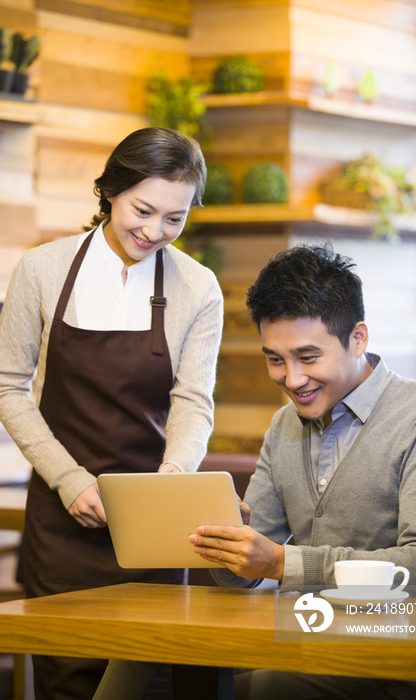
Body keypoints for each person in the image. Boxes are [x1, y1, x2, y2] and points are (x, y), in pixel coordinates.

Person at [93, 243, 416, 700]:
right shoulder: (285, 424)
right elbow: (241, 579)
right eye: (275, 359)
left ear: (359, 338)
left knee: (265, 686)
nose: (291, 380)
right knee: (139, 654)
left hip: (398, 649)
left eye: (308, 357)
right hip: (307, 631)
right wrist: (229, 541)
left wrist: (282, 562)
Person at [0, 126, 223, 700]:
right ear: (110, 191)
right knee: (66, 683)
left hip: (153, 528)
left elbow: (193, 401)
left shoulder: (198, 287)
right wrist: (70, 479)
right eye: (142, 210)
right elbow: (7, 386)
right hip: (63, 522)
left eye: (174, 219)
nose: (154, 232)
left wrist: (175, 476)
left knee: (148, 680)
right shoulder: (43, 269)